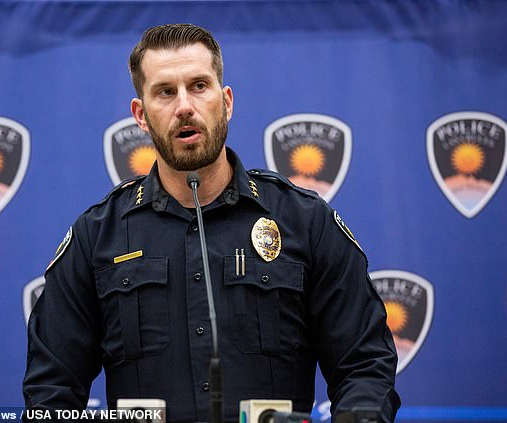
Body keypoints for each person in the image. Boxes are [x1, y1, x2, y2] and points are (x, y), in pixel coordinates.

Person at [23, 23, 400, 423]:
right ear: (141, 115)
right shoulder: (98, 236)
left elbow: (364, 365)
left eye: (199, 86)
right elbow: (51, 391)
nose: (184, 105)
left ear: (227, 102)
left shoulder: (303, 222)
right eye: (165, 92)